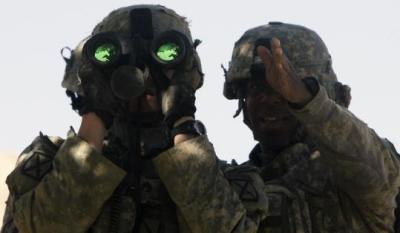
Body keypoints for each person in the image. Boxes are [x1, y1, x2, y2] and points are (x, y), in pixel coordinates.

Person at [0, 5, 269, 233]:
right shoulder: (47, 165)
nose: (145, 77)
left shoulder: (228, 181)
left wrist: (181, 120)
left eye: (162, 64)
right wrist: (96, 110)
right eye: (126, 65)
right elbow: (48, 225)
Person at [223, 22, 400, 232]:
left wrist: (307, 102)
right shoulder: (231, 187)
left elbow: (370, 165)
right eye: (255, 88)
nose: (269, 100)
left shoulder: (351, 170)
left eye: (282, 88)